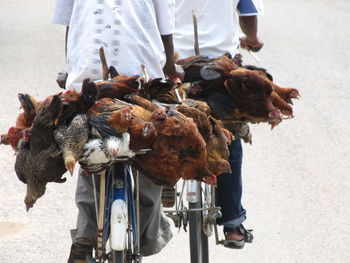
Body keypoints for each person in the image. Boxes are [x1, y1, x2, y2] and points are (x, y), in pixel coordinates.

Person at [52, 0, 182, 262]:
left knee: (88, 149)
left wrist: (72, 70)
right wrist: (169, 66)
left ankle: (85, 235)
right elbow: (164, 22)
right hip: (140, 72)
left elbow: (70, 23)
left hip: (88, 73)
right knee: (148, 153)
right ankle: (148, 235)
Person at [173, 0, 264, 249]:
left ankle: (160, 186)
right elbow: (248, 12)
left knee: (164, 125)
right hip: (220, 66)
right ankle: (233, 223)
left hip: (175, 63)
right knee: (229, 135)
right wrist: (252, 38)